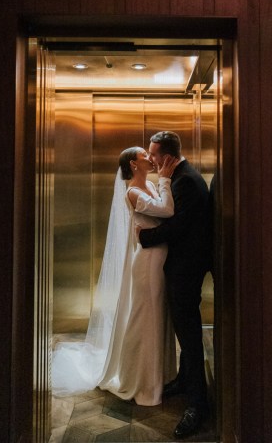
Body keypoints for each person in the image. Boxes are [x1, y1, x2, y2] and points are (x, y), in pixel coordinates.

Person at [52, 146, 178, 406]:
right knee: (145, 318)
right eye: (145, 156)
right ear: (134, 164)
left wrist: (162, 183)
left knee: (156, 318)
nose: (150, 159)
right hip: (146, 263)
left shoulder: (151, 187)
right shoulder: (132, 192)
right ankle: (140, 381)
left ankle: (158, 377)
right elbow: (166, 211)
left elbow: (164, 211)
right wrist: (166, 178)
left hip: (159, 260)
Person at [137, 131, 211, 438]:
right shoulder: (180, 177)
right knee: (183, 329)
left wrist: (145, 237)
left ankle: (198, 405)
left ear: (167, 156)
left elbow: (177, 226)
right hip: (181, 267)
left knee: (190, 334)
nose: (151, 160)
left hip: (186, 269)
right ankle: (183, 380)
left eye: (154, 155)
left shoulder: (187, 181)